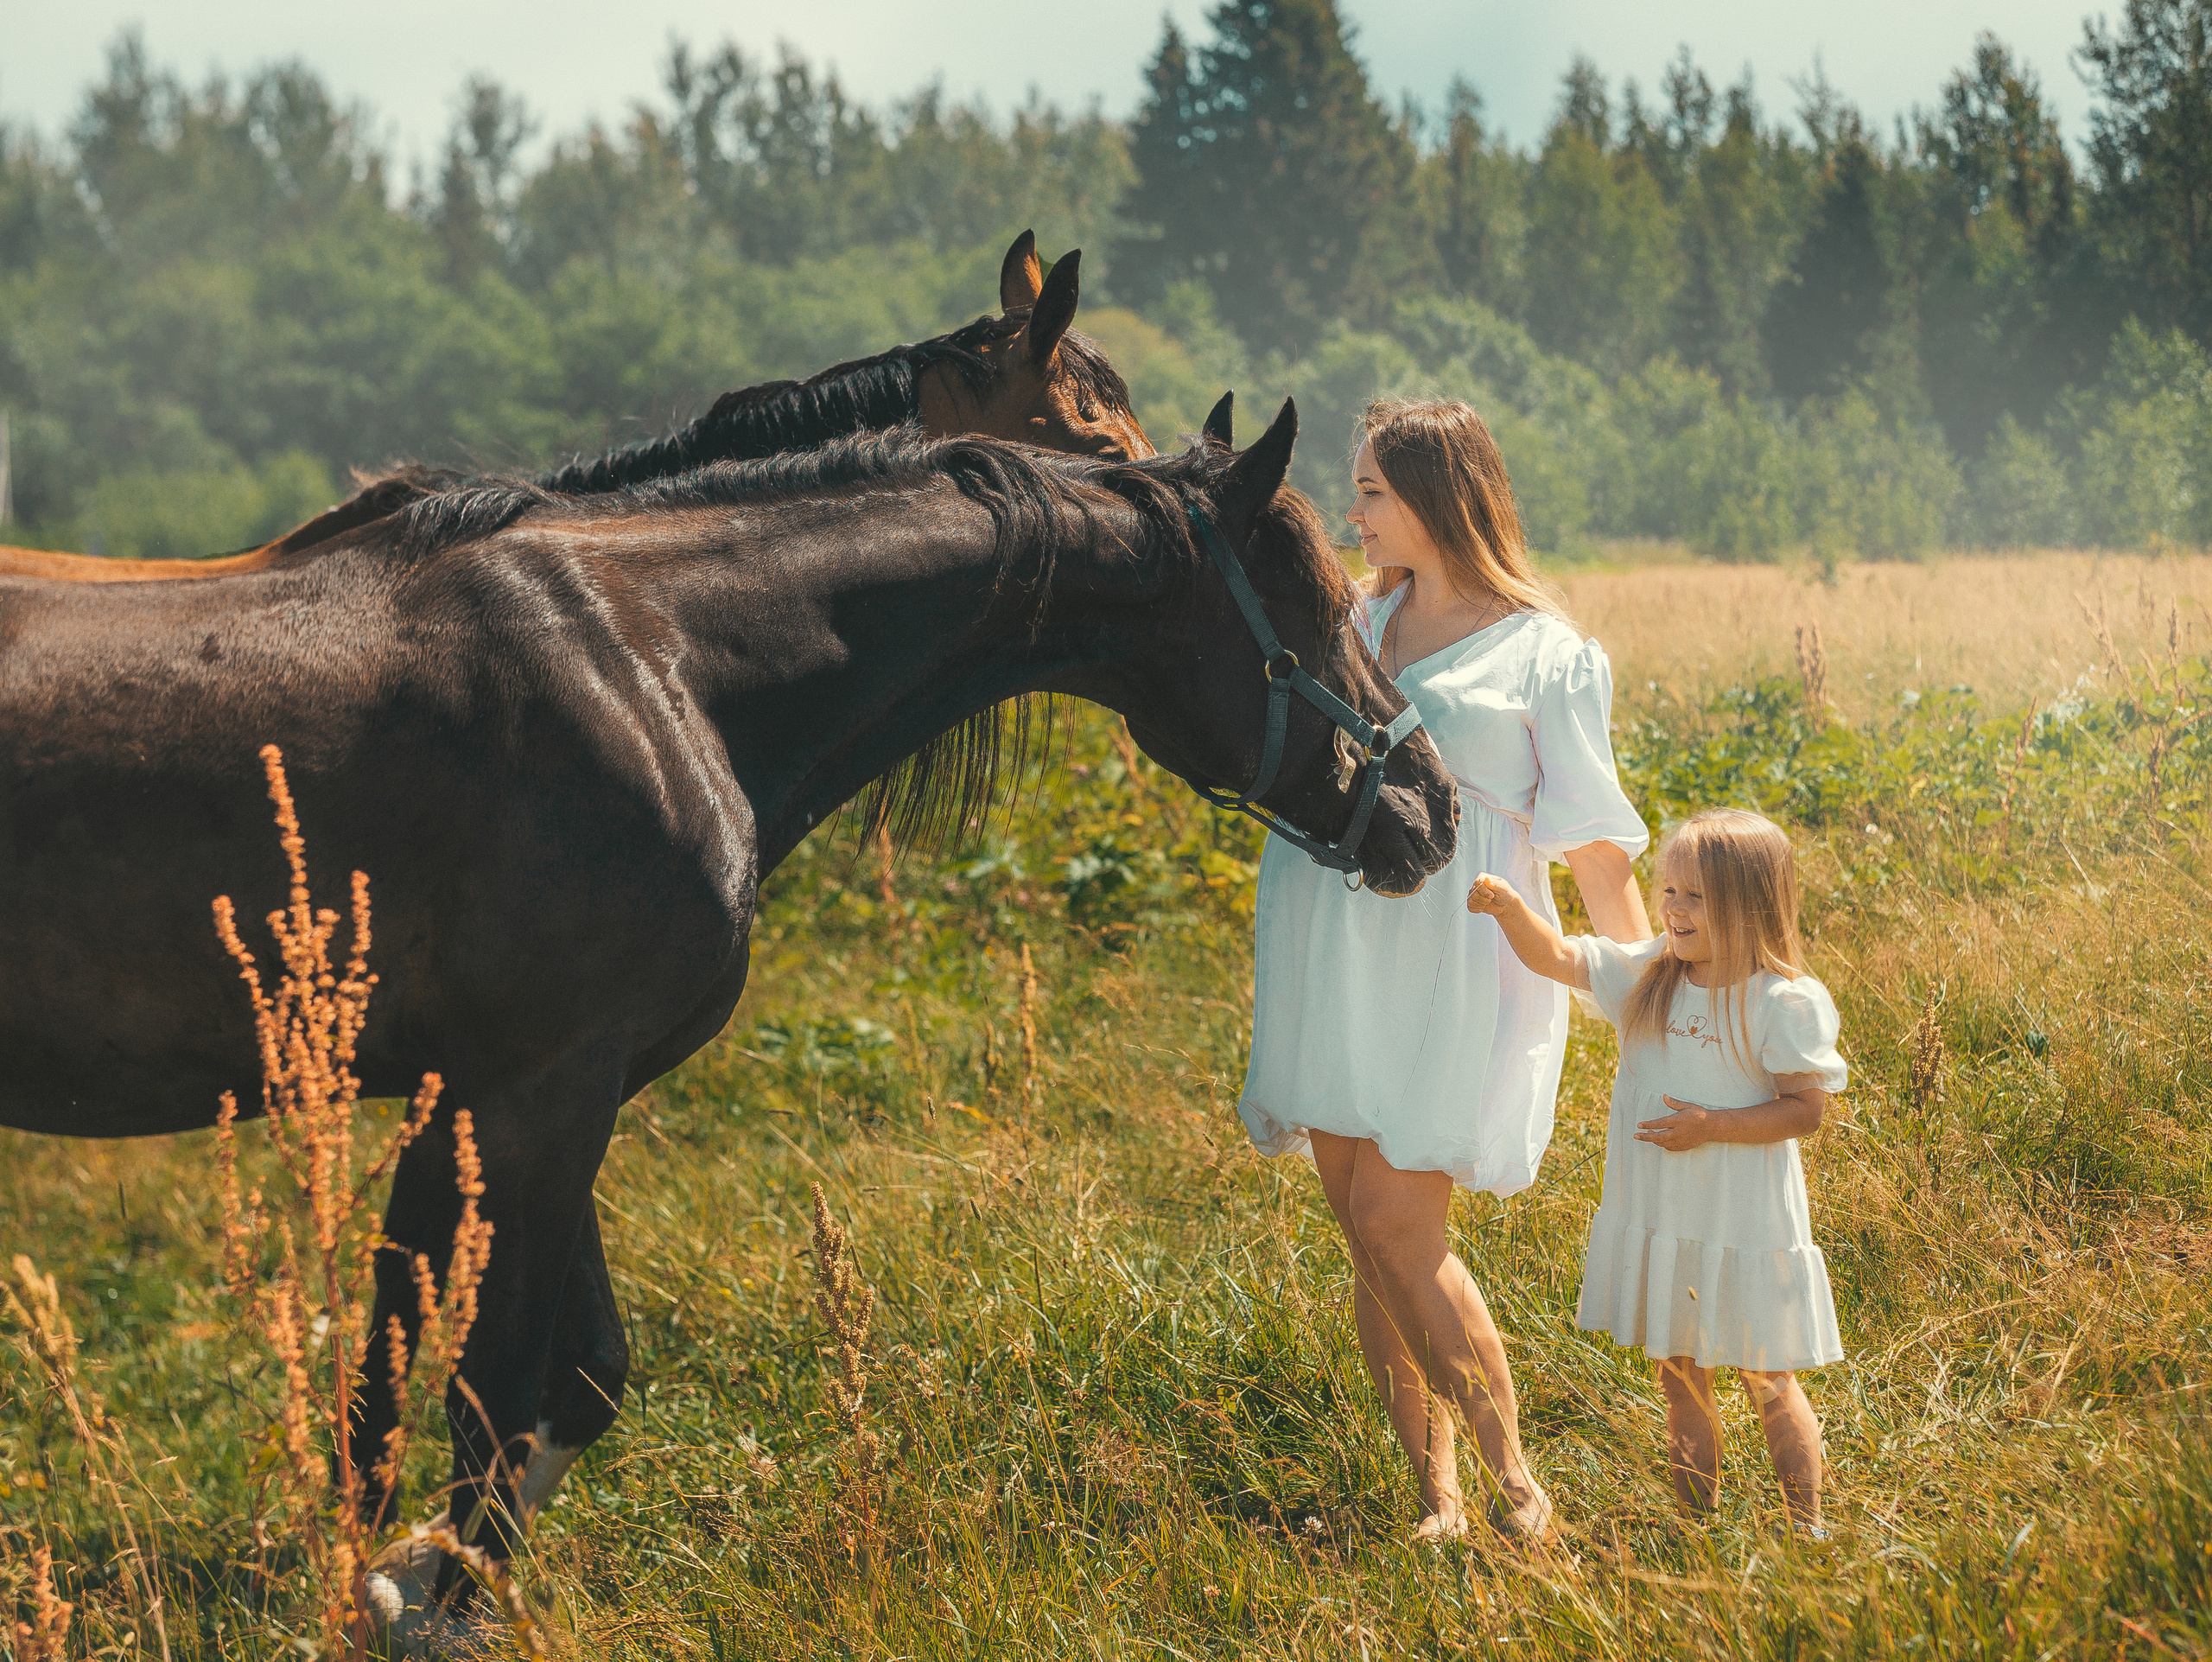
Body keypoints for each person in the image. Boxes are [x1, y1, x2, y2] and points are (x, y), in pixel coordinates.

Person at [1239, 398, 1651, 1542]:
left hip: (1456, 959)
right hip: (1334, 941)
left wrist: (1643, 987)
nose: (1353, 511)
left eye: (1370, 489)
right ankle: (1437, 1496)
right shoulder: (1352, 621)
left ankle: (1520, 1489)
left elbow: (1597, 846)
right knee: (1365, 1234)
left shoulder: (1546, 652)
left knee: (1399, 1219)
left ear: (1435, 495)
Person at [1466, 809, 1847, 1535]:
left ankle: (1808, 1524)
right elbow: (1556, 957)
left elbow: (1805, 1110)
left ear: (1751, 903)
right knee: (1680, 1382)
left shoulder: (1779, 1000)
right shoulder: (1649, 974)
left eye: (1696, 896)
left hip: (1746, 1224)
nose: (1673, 907)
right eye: (1669, 890)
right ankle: (1693, 1525)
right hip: (1668, 1220)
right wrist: (1511, 907)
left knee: (1770, 1378)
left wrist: (1714, 1125)